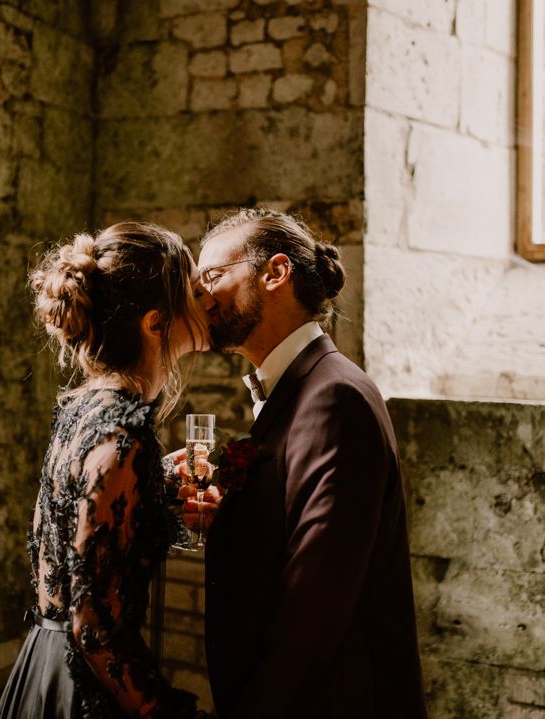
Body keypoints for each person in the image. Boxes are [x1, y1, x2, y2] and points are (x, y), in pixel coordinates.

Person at [186, 208, 427, 718]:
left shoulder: (334, 397)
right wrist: (228, 514)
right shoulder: (301, 387)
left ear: (275, 273)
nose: (201, 297)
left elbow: (316, 600)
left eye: (213, 275)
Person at [0, 222, 214, 719]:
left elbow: (74, 529)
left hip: (45, 660)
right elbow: (93, 626)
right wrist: (164, 712)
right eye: (193, 290)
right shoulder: (123, 432)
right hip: (82, 685)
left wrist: (154, 485)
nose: (206, 298)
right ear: (156, 323)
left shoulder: (86, 408)